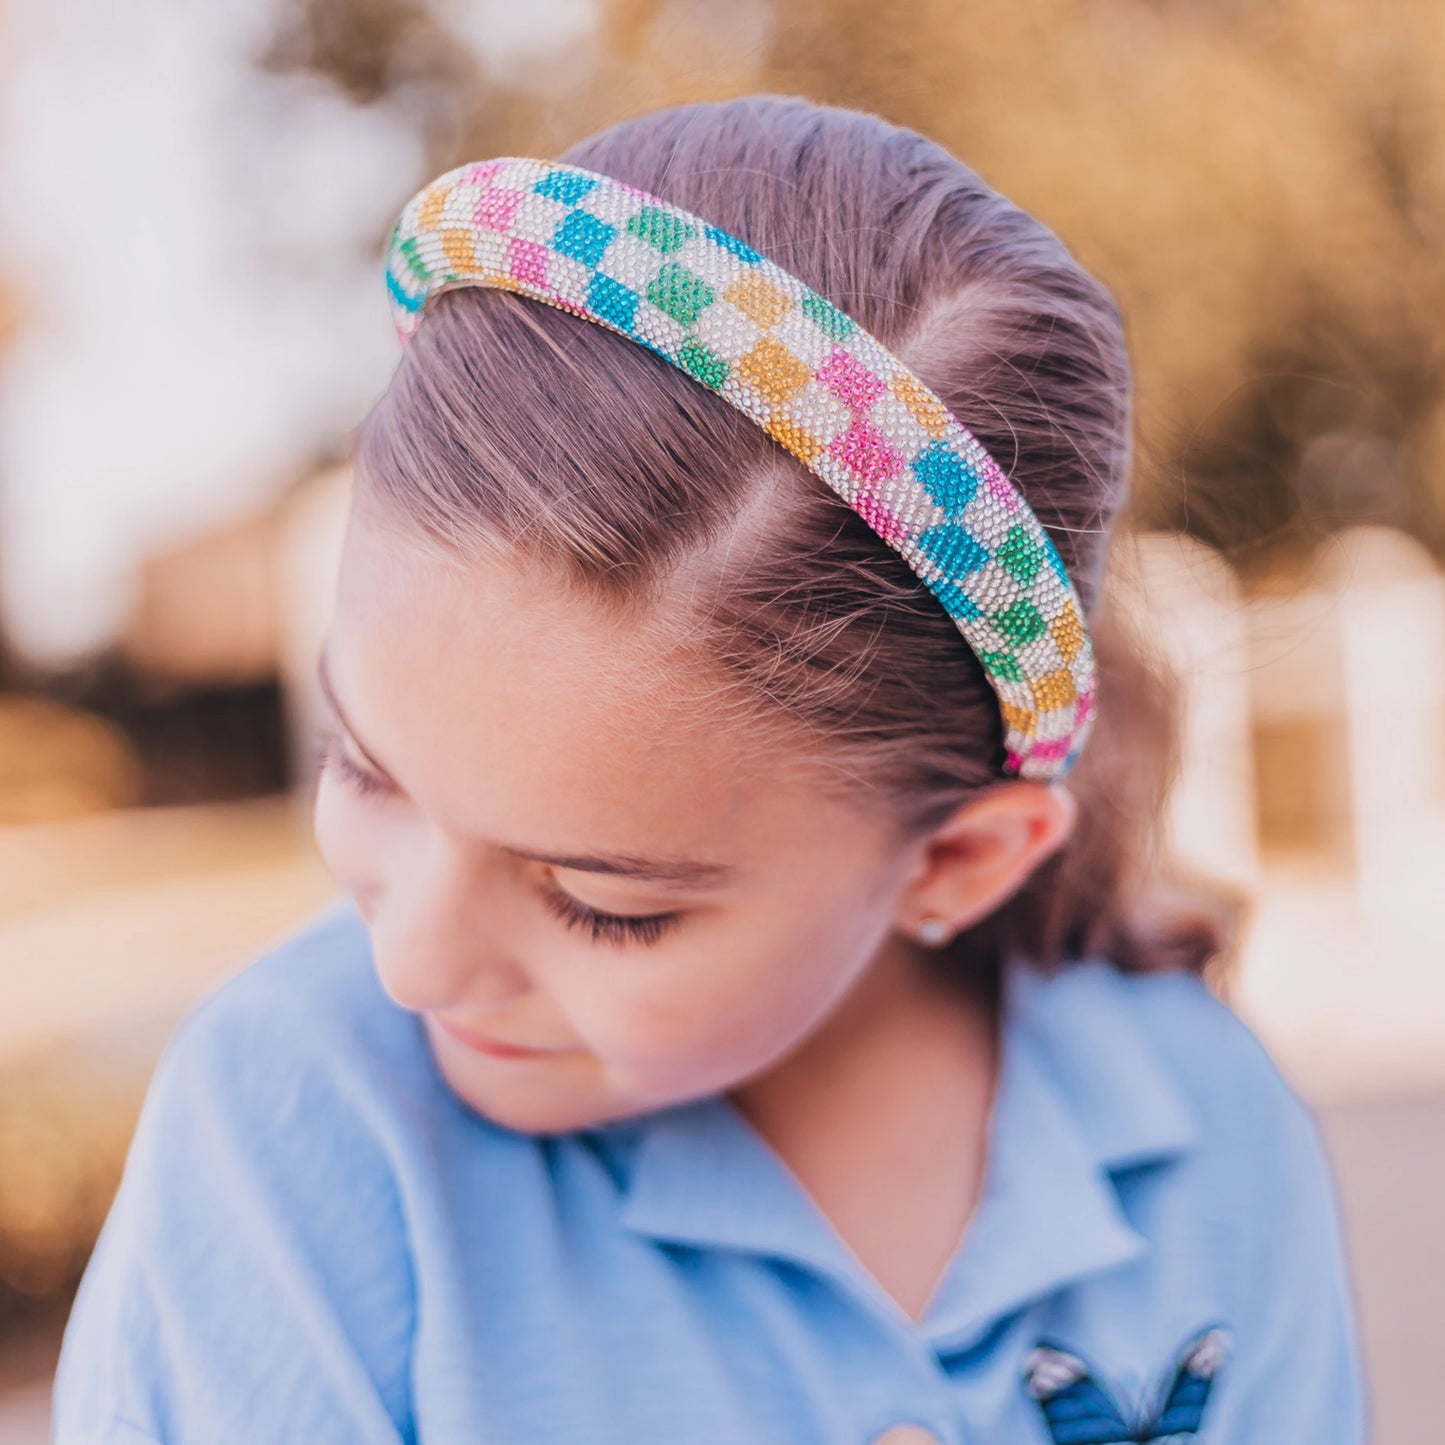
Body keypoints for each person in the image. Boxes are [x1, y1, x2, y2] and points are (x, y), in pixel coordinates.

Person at [51, 95, 1366, 1443]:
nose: (415, 965)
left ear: (959, 858)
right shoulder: (293, 1130)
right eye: (365, 768)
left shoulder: (1203, 1121)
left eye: (604, 902)